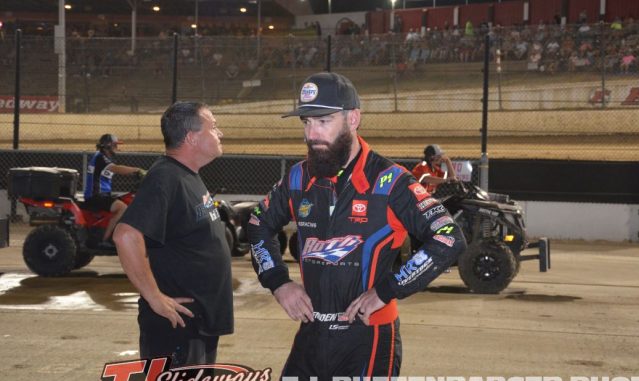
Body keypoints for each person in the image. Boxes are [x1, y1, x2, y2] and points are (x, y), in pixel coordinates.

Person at [248, 72, 467, 379]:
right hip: (311, 337)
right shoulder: (298, 177)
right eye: (306, 122)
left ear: (353, 119)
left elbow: (449, 236)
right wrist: (278, 282)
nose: (312, 134)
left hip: (369, 339)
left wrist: (389, 288)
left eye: (322, 121)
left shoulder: (390, 181)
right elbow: (258, 223)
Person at [112, 102, 233, 366]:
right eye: (213, 127)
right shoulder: (165, 177)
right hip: (176, 329)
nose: (219, 133)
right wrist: (154, 297)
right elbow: (126, 235)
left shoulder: (187, 176)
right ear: (191, 137)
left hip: (194, 326)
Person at [84, 133, 145, 245]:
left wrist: (135, 175)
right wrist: (137, 170)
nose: (117, 148)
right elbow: (117, 169)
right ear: (108, 146)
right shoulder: (100, 158)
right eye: (115, 145)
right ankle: (105, 239)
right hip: (96, 195)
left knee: (126, 199)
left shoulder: (103, 158)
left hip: (103, 195)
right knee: (122, 208)